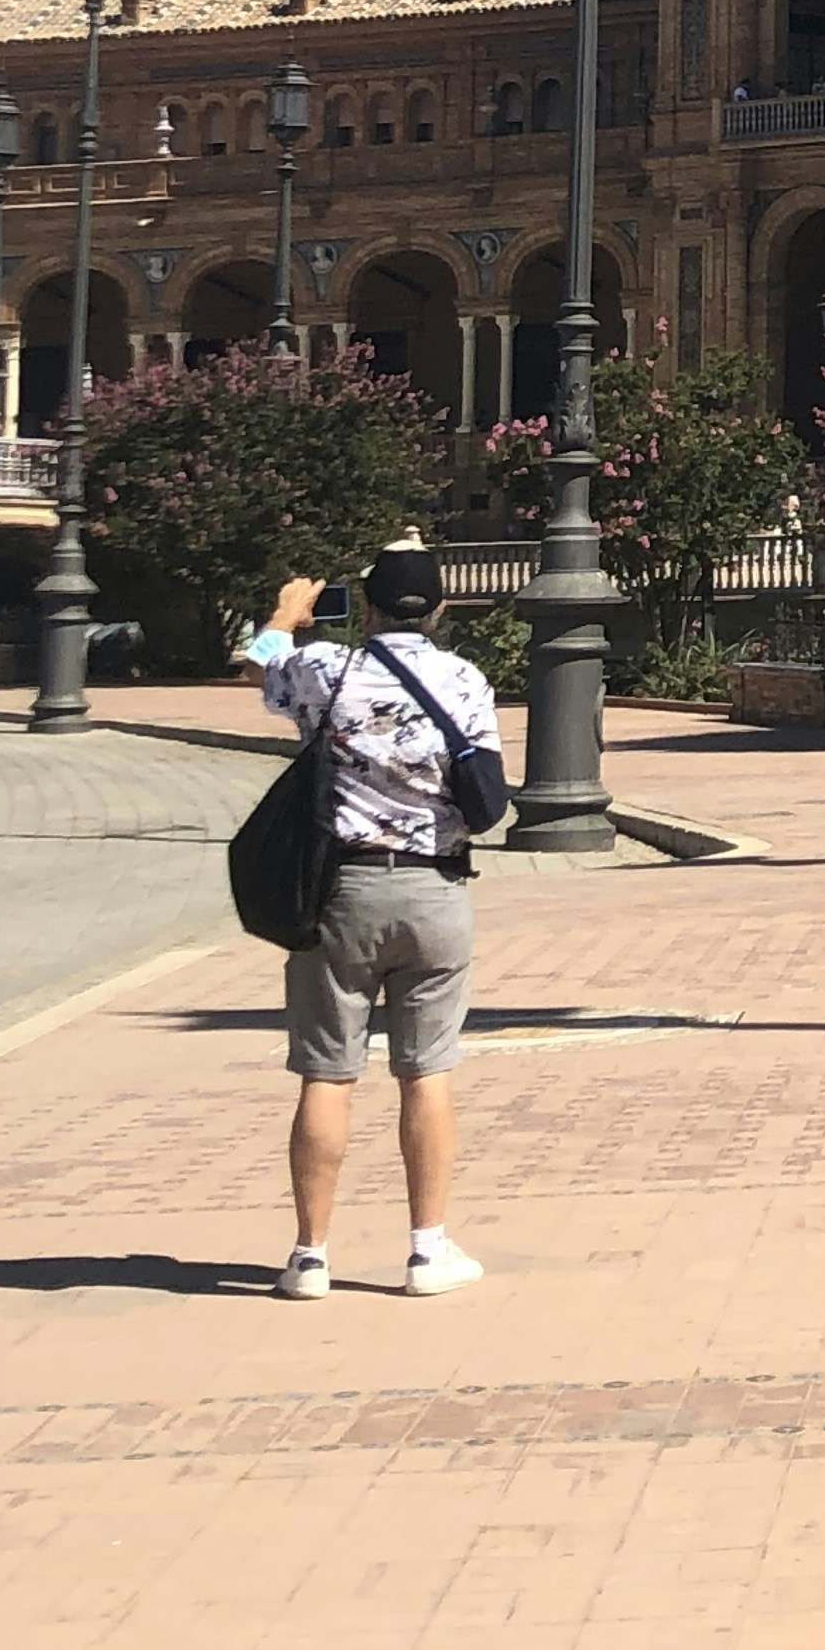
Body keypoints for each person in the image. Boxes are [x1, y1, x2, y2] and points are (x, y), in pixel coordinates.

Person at [243, 534, 503, 1300]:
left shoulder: (329, 668)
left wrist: (287, 611)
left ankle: (310, 1257)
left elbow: (257, 664)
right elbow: (483, 791)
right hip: (434, 892)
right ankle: (427, 1250)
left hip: (338, 893)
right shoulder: (464, 680)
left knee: (327, 1073)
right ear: (442, 607)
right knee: (427, 1073)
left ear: (367, 604)